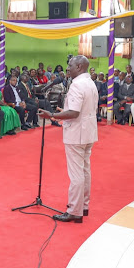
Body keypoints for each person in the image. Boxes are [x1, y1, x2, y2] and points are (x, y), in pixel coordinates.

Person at [38, 55, 98, 223]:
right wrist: (63, 110)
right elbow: (82, 109)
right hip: (89, 133)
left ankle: (74, 210)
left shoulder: (77, 85)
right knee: (85, 170)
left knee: (76, 174)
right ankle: (84, 206)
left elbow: (74, 113)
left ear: (79, 67)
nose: (67, 69)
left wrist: (53, 115)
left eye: (70, 65)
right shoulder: (90, 83)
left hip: (76, 134)